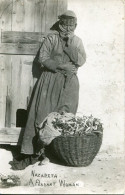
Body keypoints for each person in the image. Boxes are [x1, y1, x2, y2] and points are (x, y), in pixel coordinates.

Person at [10, 10, 86, 170]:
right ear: (60, 24)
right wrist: (60, 65)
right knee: (42, 115)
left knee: (65, 117)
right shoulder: (51, 39)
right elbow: (42, 58)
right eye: (64, 24)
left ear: (76, 26)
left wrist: (70, 43)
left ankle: (57, 153)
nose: (67, 28)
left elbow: (81, 60)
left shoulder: (77, 41)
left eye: (71, 25)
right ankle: (40, 153)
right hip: (50, 81)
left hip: (69, 84)